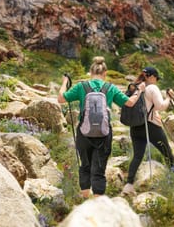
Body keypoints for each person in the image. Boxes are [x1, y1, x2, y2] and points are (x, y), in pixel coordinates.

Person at [58, 56, 145, 199]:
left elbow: (61, 99)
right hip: (104, 133)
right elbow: (129, 103)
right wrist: (139, 91)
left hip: (83, 132)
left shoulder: (82, 86)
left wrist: (64, 82)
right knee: (99, 170)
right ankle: (98, 204)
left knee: (85, 166)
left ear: (90, 72)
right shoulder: (110, 88)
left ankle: (86, 199)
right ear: (105, 73)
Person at [122, 66, 174, 196]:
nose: (156, 80)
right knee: (167, 152)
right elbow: (160, 106)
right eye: (156, 78)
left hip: (135, 127)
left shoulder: (135, 87)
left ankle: (128, 185)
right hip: (151, 126)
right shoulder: (152, 88)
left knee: (137, 156)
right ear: (151, 76)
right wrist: (169, 98)